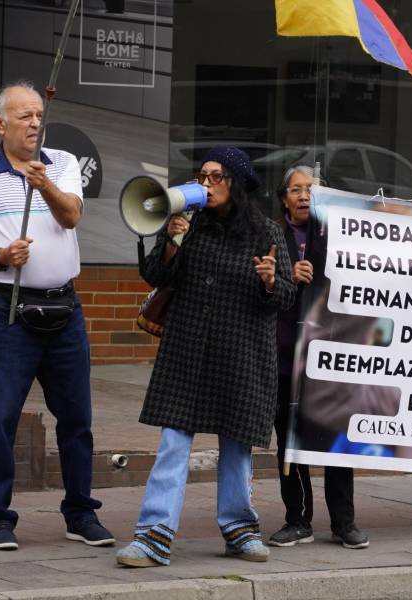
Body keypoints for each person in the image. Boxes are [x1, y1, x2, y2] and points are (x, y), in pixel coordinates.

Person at [0, 81, 113, 551]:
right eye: (24, 116)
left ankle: (81, 513)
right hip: (8, 310)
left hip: (65, 306)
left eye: (39, 115)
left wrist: (45, 186)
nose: (35, 124)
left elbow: (72, 217)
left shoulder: (60, 164)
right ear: (0, 123)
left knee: (77, 416)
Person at [115, 146, 295, 567]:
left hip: (242, 355)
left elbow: (285, 297)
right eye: (202, 176)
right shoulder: (186, 225)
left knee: (236, 446)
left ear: (236, 183)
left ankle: (239, 530)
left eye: (216, 177)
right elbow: (156, 277)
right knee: (173, 442)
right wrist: (172, 241)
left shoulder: (265, 232)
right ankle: (153, 536)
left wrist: (270, 280)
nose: (206, 184)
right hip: (188, 352)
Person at [268, 165, 370, 550]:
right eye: (296, 189)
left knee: (335, 440)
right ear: (284, 199)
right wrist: (287, 274)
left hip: (330, 354)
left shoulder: (341, 237)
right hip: (285, 355)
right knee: (289, 442)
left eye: (312, 189)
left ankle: (344, 523)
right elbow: (260, 287)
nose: (304, 195)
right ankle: (298, 520)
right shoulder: (271, 235)